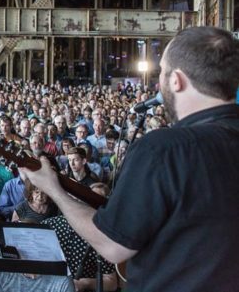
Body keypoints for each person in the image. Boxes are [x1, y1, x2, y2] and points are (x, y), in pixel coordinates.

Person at [23, 26, 239, 291]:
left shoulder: (162, 150)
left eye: (162, 71)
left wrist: (54, 189)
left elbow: (112, 246)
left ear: (176, 80)